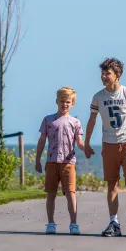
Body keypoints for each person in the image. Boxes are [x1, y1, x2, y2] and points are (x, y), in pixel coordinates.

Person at [84, 58, 126, 237]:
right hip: (109, 144)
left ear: (117, 75)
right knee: (112, 184)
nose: (104, 76)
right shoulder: (98, 97)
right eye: (102, 73)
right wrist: (87, 142)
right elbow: (92, 119)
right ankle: (114, 222)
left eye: (108, 73)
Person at [35, 87, 85, 235]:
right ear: (57, 102)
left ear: (73, 104)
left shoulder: (75, 122)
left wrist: (86, 148)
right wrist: (38, 160)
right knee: (51, 194)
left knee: (70, 193)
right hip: (51, 161)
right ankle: (51, 223)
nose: (65, 104)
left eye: (68, 102)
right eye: (62, 101)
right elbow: (42, 140)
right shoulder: (48, 120)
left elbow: (79, 141)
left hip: (68, 162)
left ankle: (73, 223)